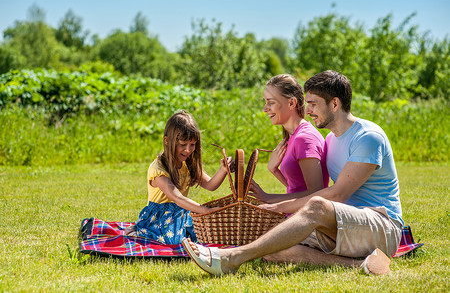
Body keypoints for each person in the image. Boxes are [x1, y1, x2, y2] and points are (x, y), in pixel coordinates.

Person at [181, 70, 403, 276]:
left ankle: (231, 258)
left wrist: (276, 206)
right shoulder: (331, 140)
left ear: (335, 104)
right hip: (345, 225)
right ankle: (361, 265)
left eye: (314, 104)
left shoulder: (368, 137)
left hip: (382, 226)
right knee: (271, 245)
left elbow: (336, 195)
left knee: (316, 205)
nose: (308, 110)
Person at [124, 110, 232, 244]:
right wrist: (205, 211)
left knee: (206, 236)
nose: (188, 150)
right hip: (158, 219)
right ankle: (139, 231)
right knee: (173, 241)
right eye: (182, 145)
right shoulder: (158, 170)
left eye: (192, 144)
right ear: (167, 141)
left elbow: (210, 185)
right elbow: (177, 197)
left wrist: (223, 170)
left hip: (181, 215)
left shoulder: (187, 164)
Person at [250, 74, 329, 208]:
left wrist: (268, 197)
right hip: (294, 216)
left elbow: (316, 193)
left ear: (291, 103)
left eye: (271, 102)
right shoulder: (294, 136)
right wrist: (274, 170)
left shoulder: (304, 139)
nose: (265, 109)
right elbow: (297, 187)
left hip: (306, 222)